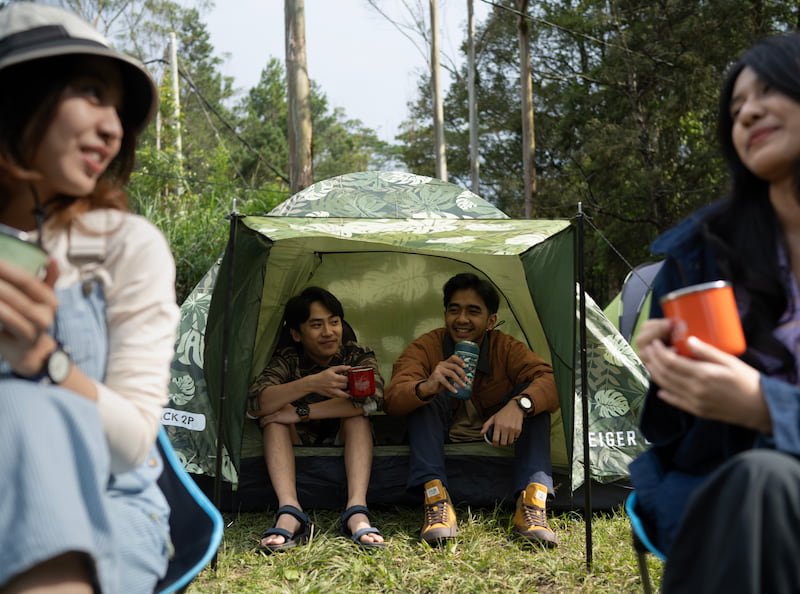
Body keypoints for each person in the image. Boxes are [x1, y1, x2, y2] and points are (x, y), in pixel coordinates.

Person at [0, 3, 180, 593]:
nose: (112, 128)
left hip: (107, 499)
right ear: (20, 92)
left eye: (117, 110)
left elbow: (132, 443)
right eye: (89, 92)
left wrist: (43, 362)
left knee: (28, 409)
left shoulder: (125, 248)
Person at [629, 32, 800, 593]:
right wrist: (670, 372)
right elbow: (670, 434)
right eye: (735, 108)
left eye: (770, 88)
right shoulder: (703, 251)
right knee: (759, 482)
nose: (749, 111)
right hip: (724, 486)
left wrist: (766, 406)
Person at [384, 272, 560, 547]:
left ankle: (532, 503)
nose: (462, 319)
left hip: (496, 443)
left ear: (491, 320)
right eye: (454, 310)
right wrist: (427, 386)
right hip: (438, 446)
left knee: (534, 402)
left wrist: (520, 405)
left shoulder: (505, 347)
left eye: (473, 311)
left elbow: (551, 381)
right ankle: (436, 500)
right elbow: (393, 398)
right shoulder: (428, 346)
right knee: (424, 394)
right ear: (445, 315)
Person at [247, 286, 386, 551]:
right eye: (316, 325)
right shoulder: (287, 360)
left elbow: (373, 400)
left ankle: (356, 510)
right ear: (296, 334)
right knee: (274, 419)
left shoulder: (356, 356)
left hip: (346, 443)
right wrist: (311, 384)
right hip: (297, 446)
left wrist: (302, 412)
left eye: (334, 322)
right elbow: (255, 403)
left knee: (358, 418)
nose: (328, 332)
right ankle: (290, 511)